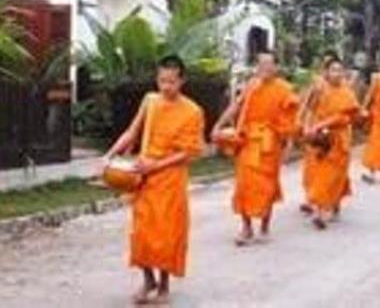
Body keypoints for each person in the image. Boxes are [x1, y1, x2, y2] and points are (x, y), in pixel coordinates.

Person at [104, 55, 205, 305]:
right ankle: (148, 279)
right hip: (144, 179)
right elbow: (132, 131)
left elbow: (189, 152)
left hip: (170, 179)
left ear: (182, 80)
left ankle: (164, 285)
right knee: (141, 233)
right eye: (162, 81)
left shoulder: (192, 111)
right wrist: (109, 155)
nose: (166, 87)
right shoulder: (150, 101)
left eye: (171, 82)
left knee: (166, 235)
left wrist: (156, 165)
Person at [211, 52, 299, 246]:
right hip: (248, 140)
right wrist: (218, 124)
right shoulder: (251, 86)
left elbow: (290, 120)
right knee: (244, 185)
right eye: (261, 64)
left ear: (276, 67)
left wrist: (289, 143)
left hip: (270, 144)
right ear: (256, 67)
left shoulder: (285, 89)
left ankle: (265, 226)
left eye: (269, 64)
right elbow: (236, 106)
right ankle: (246, 227)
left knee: (267, 186)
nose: (265, 68)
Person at [302, 57, 360, 230]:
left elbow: (346, 117)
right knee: (323, 175)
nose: (336, 74)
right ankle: (319, 213)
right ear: (326, 72)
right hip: (322, 140)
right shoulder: (320, 90)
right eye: (333, 70)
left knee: (337, 177)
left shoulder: (347, 93)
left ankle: (334, 205)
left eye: (339, 70)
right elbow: (310, 109)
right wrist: (307, 127)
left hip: (340, 139)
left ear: (343, 73)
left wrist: (322, 125)